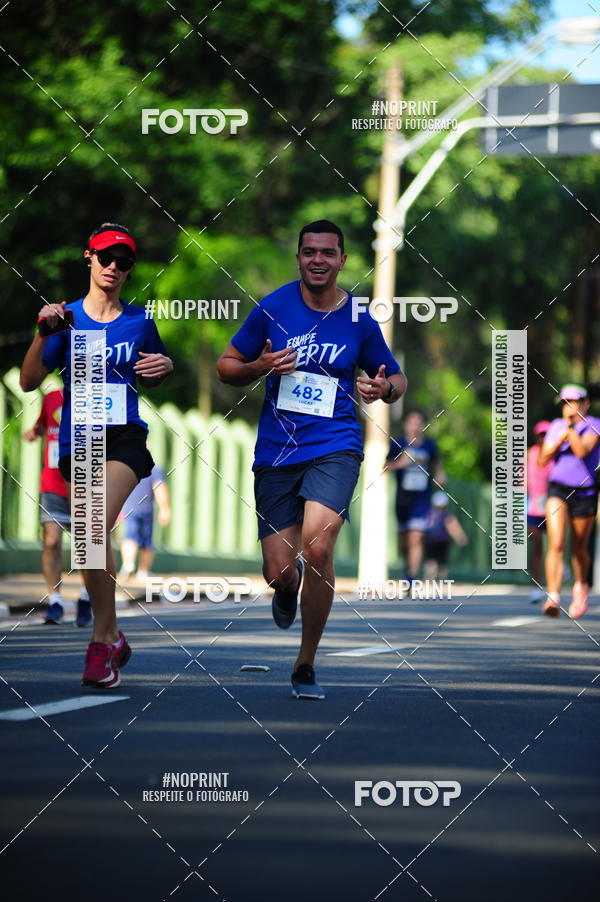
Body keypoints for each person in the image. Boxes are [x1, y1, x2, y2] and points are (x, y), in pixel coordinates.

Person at [216, 219, 406, 700]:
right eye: (309, 252)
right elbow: (227, 366)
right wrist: (258, 366)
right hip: (277, 451)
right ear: (299, 258)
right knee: (279, 570)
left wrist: (383, 388)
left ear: (343, 260)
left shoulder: (360, 319)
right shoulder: (273, 308)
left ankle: (305, 663)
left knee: (320, 546)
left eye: (328, 252)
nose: (318, 259)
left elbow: (398, 379)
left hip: (336, 445)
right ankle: (285, 588)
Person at [20, 222, 173, 687]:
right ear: (89, 257)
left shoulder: (141, 321)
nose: (113, 266)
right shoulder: (63, 317)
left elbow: (157, 370)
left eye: (123, 261)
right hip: (77, 440)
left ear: (129, 271)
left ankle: (99, 643)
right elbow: (28, 381)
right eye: (105, 257)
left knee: (90, 526)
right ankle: (111, 636)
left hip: (124, 437)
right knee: (86, 540)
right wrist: (40, 335)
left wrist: (164, 367)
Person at [23, 388, 91, 626]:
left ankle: (85, 598)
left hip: (85, 484)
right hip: (52, 483)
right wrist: (34, 432)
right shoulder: (52, 397)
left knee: (87, 547)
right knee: (51, 541)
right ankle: (55, 602)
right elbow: (43, 424)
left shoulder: (99, 397)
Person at [538, 384, 600, 619]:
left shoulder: (594, 424)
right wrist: (558, 438)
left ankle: (580, 586)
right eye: (564, 403)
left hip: (584, 493)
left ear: (585, 404)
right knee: (556, 542)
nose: (568, 407)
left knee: (579, 548)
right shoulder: (555, 426)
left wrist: (571, 430)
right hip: (558, 490)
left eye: (572, 402)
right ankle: (553, 595)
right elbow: (542, 459)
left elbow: (583, 451)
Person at [387, 409, 445, 586]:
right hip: (403, 500)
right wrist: (401, 463)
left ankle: (411, 578)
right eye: (412, 421)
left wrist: (440, 475)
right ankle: (407, 569)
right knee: (404, 541)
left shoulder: (429, 445)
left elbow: (437, 464)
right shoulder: (398, 443)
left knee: (416, 537)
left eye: (419, 421)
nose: (416, 424)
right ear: (406, 424)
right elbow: (386, 466)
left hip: (422, 499)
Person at [118, 464, 171, 582]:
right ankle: (143, 571)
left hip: (129, 508)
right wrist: (165, 509)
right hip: (146, 509)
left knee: (130, 535)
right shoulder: (155, 470)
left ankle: (128, 564)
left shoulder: (127, 468)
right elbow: (159, 488)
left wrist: (118, 508)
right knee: (147, 542)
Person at [526, 420, 552, 603]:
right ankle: (536, 586)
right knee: (536, 546)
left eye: (547, 434)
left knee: (554, 545)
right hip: (534, 506)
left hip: (552, 505)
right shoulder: (530, 454)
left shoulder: (555, 454)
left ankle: (556, 579)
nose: (544, 438)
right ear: (537, 436)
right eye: (541, 434)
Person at [424, 491, 468, 580]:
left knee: (430, 562)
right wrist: (460, 537)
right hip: (442, 541)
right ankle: (442, 581)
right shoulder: (446, 514)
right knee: (442, 563)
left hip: (430, 541)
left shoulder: (428, 513)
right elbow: (452, 526)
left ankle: (429, 579)